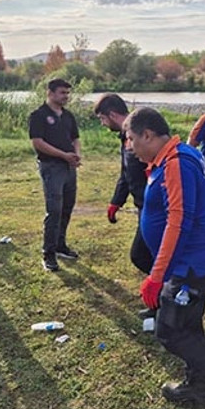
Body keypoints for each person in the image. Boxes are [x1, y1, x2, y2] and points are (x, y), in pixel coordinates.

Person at [124, 107, 205, 405]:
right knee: (187, 325)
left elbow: (179, 220)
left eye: (131, 139)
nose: (129, 146)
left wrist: (156, 276)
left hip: (192, 264)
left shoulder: (178, 162)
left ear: (148, 134)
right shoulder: (176, 156)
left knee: (169, 331)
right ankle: (197, 384)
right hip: (192, 260)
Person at [93, 93, 153, 292]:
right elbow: (126, 173)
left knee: (141, 255)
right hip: (142, 204)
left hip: (154, 205)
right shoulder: (125, 136)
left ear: (111, 114)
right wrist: (115, 202)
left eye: (102, 118)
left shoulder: (140, 133)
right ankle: (163, 301)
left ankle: (168, 294)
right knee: (149, 255)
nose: (102, 124)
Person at [29, 79, 81, 272]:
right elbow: (37, 142)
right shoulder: (38, 115)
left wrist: (76, 154)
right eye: (62, 93)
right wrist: (63, 155)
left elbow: (75, 137)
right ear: (50, 93)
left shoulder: (68, 116)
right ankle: (48, 253)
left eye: (68, 93)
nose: (66, 96)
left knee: (67, 206)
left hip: (69, 167)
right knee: (54, 209)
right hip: (51, 166)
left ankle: (60, 245)